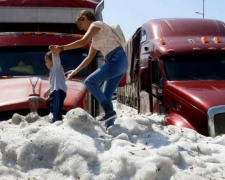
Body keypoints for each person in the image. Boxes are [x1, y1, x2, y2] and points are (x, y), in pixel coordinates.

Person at [49, 10, 128, 121]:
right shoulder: (95, 40)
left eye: (82, 25)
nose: (84, 30)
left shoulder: (97, 24)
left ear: (85, 18)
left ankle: (109, 111)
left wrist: (61, 48)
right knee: (106, 96)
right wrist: (75, 71)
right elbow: (89, 58)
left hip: (116, 60)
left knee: (89, 81)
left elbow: (82, 42)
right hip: (120, 62)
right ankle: (110, 126)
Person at [44, 51, 67, 123]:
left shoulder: (56, 67)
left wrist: (54, 51)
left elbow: (56, 58)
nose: (46, 64)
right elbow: (52, 84)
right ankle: (56, 117)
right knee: (49, 103)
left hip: (59, 90)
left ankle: (56, 119)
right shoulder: (51, 72)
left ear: (52, 61)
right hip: (54, 90)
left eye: (47, 61)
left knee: (56, 107)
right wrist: (48, 91)